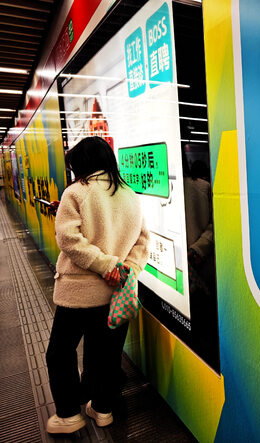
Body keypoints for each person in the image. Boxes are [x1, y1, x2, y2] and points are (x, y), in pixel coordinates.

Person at [45, 136, 149, 434]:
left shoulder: (76, 192)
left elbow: (69, 240)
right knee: (105, 353)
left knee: (60, 353)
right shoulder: (129, 194)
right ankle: (102, 409)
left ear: (84, 163)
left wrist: (105, 266)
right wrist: (124, 269)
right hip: (116, 294)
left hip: (79, 293)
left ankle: (68, 415)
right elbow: (143, 239)